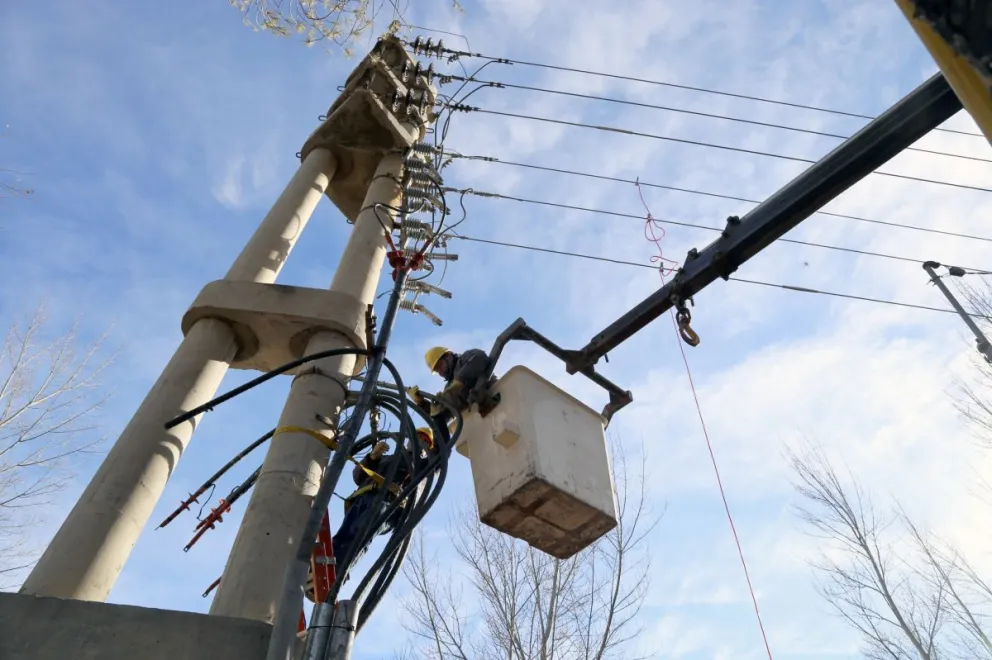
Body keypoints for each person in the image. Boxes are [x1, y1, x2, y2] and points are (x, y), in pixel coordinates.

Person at [329, 427, 436, 580]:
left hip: (390, 506)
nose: (419, 442)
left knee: (362, 532)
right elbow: (358, 477)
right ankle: (326, 562)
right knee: (346, 532)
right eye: (417, 437)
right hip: (363, 498)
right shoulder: (387, 459)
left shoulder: (424, 466)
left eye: (425, 441)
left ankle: (338, 571)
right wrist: (372, 458)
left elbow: (441, 454)